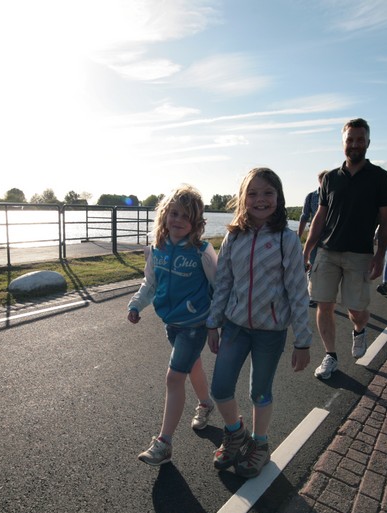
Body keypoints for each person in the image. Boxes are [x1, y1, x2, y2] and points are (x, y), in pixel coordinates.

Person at [206, 167, 312, 478]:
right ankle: (235, 432)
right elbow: (223, 283)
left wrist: (303, 341)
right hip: (235, 327)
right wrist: (213, 323)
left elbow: (298, 292)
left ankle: (260, 444)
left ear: (279, 197)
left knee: (260, 392)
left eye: (267, 193)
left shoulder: (286, 240)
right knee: (220, 388)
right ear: (243, 198)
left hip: (271, 332)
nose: (260, 199)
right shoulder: (233, 236)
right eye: (252, 193)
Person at [129, 185, 218, 466]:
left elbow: (219, 287)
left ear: (196, 222)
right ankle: (206, 404)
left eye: (186, 216)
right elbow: (150, 283)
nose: (178, 220)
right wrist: (136, 304)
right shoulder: (157, 249)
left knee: (174, 378)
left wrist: (215, 325)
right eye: (174, 213)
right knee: (193, 367)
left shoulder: (202, 251)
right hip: (171, 324)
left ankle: (164, 443)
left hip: (194, 325)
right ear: (165, 215)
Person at [302, 118, 387, 379]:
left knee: (356, 310)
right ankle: (330, 355)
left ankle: (359, 329)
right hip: (327, 251)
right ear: (343, 143)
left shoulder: (380, 177)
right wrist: (307, 250)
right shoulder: (330, 178)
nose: (354, 144)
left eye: (359, 140)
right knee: (324, 304)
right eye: (350, 140)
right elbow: (320, 217)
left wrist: (380, 254)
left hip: (360, 254)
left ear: (368, 142)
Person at [298, 171, 328, 308]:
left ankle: (322, 294)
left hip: (330, 237)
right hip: (314, 235)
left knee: (326, 266)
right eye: (323, 180)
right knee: (313, 263)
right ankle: (312, 295)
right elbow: (304, 216)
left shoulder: (333, 196)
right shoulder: (311, 197)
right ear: (319, 181)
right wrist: (299, 236)